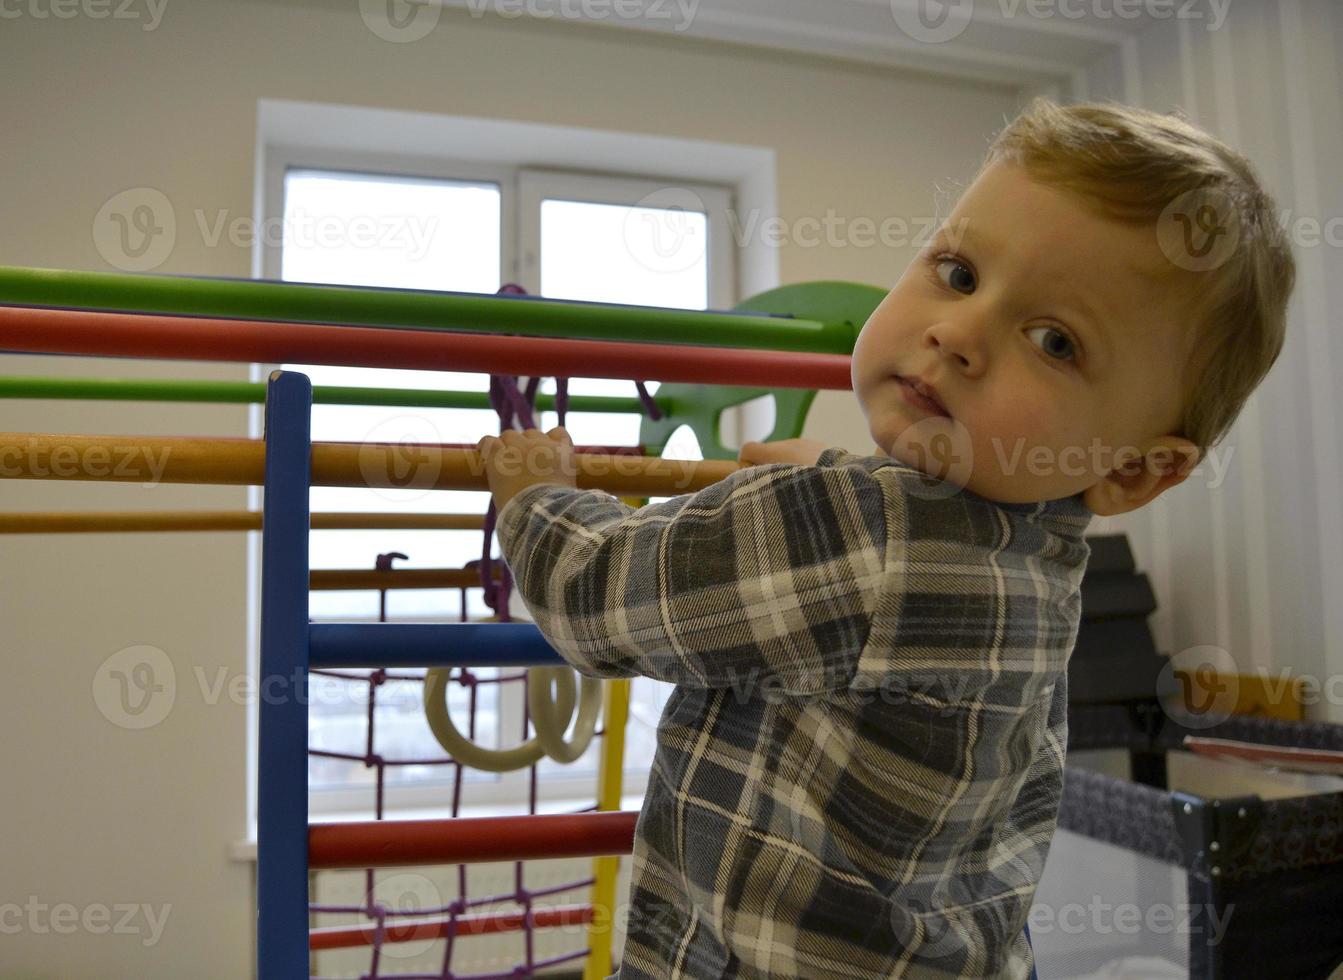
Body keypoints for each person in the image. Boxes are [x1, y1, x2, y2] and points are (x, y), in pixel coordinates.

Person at [475, 97, 1296, 978]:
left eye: (1054, 341)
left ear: (1133, 468)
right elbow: (899, 565)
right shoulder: (1041, 562)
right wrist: (825, 476)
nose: (959, 333)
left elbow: (597, 597)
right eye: (958, 272)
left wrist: (534, 495)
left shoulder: (860, 528)